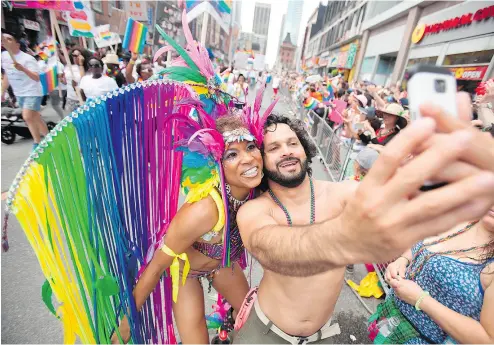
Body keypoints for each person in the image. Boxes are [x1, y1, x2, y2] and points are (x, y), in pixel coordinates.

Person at [233, 91, 494, 343]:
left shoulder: (345, 193)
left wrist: (455, 176)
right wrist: (342, 240)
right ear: (261, 159)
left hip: (322, 337)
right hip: (265, 334)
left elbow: (406, 203)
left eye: (293, 143)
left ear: (304, 148)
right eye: (274, 148)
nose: (287, 151)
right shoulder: (254, 210)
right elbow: (269, 247)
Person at [112, 112, 265, 344]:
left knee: (253, 318)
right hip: (186, 274)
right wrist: (126, 326)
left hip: (223, 265)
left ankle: (229, 326)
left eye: (251, 147)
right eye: (232, 154)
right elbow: (155, 269)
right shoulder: (204, 210)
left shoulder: (257, 191)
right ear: (217, 164)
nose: (248, 159)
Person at [373, 202, 494, 343]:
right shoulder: (461, 218)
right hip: (391, 320)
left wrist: (421, 299)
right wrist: (403, 260)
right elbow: (426, 243)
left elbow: (487, 340)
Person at [1, 31, 48, 150]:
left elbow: (36, 78)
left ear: (17, 44)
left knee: (27, 117)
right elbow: (7, 75)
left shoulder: (27, 59)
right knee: (35, 117)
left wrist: (23, 69)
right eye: (3, 39)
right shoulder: (4, 56)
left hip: (32, 91)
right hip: (19, 93)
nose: (5, 40)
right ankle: (49, 138)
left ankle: (37, 143)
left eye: (9, 39)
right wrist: (2, 91)